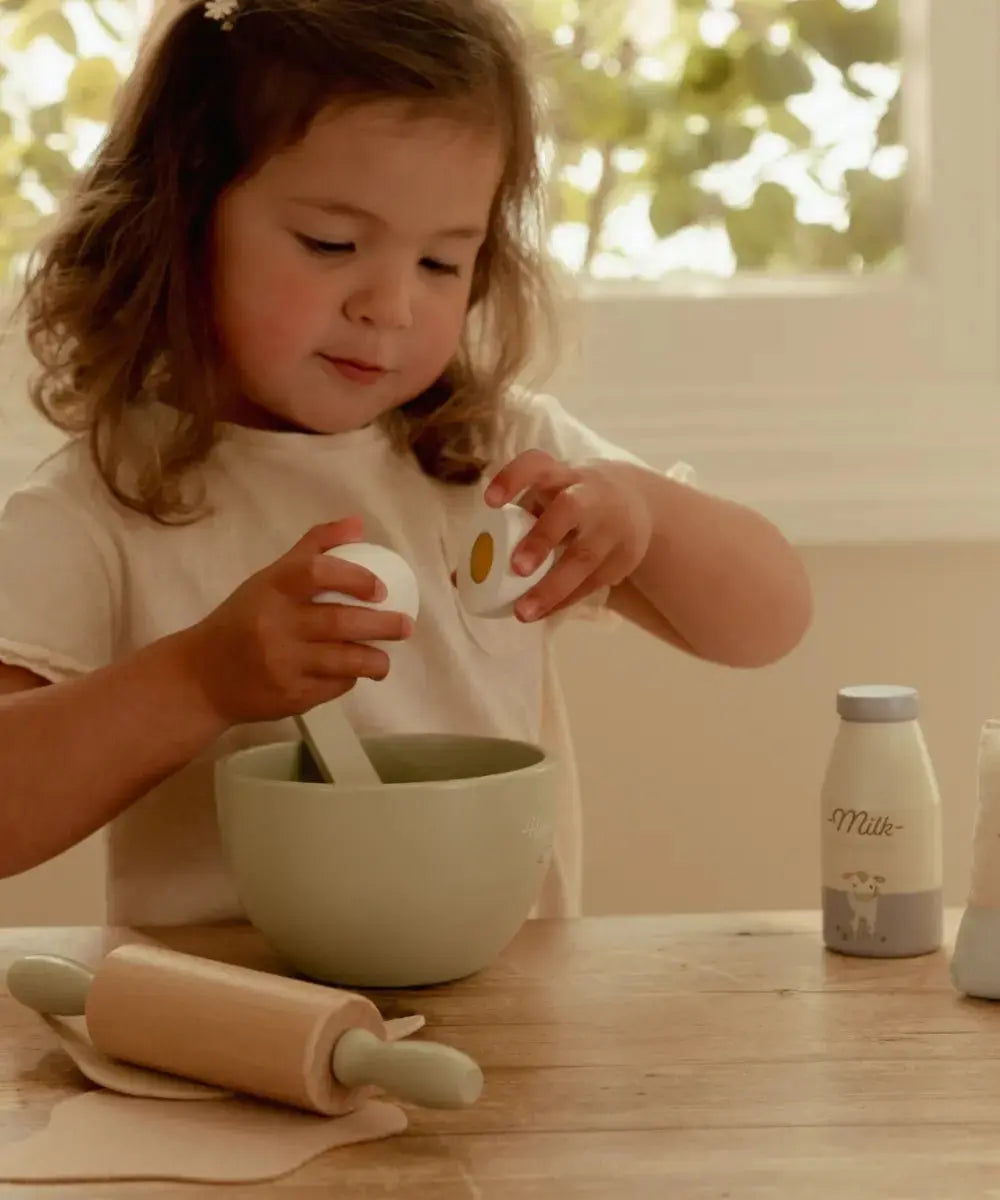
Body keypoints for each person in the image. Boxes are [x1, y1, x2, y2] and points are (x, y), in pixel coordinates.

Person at [0, 0, 812, 926]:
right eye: (332, 245)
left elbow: (770, 623)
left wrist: (646, 516)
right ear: (184, 216)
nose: (390, 305)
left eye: (441, 262)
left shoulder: (492, 457)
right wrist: (197, 681)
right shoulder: (103, 500)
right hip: (224, 1029)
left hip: (503, 1022)